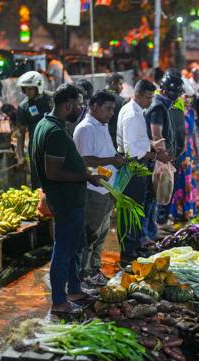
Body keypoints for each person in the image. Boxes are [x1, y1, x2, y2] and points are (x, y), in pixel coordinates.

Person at [31, 84, 105, 316]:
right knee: (63, 251)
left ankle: (74, 290)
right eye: (80, 104)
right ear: (68, 105)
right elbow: (53, 172)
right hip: (65, 201)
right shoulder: (53, 132)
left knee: (75, 247)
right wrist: (86, 176)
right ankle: (59, 301)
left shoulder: (47, 125)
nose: (82, 108)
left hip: (70, 200)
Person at [73, 91, 126, 287]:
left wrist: (117, 159)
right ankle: (83, 275)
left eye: (112, 109)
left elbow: (105, 154)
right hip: (92, 190)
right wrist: (112, 160)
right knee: (89, 236)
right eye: (108, 109)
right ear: (94, 106)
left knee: (100, 236)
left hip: (106, 190)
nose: (111, 113)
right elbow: (84, 160)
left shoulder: (102, 125)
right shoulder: (85, 129)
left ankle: (94, 271)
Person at [117, 79, 167, 263]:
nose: (150, 101)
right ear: (137, 94)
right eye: (148, 97)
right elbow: (131, 150)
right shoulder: (132, 114)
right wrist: (155, 156)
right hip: (132, 169)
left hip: (137, 168)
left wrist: (151, 144)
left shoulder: (137, 111)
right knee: (130, 212)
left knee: (136, 210)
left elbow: (137, 141)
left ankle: (135, 248)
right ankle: (128, 254)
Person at [147, 69, 185, 225]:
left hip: (169, 156)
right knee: (155, 195)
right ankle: (154, 226)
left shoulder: (168, 105)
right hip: (161, 158)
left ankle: (156, 226)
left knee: (162, 193)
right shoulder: (158, 106)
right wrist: (164, 158)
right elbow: (157, 136)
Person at [15, 71, 52, 188]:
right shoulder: (23, 107)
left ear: (38, 86)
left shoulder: (52, 99)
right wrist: (20, 156)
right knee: (38, 181)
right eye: (24, 89)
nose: (27, 92)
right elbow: (20, 133)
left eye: (30, 89)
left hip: (53, 143)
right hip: (35, 147)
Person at [169, 89, 198, 221]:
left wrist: (196, 150)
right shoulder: (175, 112)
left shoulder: (191, 112)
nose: (187, 99)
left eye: (190, 97)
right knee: (178, 181)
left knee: (189, 181)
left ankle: (189, 210)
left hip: (189, 152)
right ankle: (176, 212)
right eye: (185, 96)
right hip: (180, 150)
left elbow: (194, 133)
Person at [105, 73, 126, 148]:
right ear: (113, 84)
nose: (122, 87)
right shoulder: (121, 101)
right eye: (120, 84)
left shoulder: (96, 97)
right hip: (115, 142)